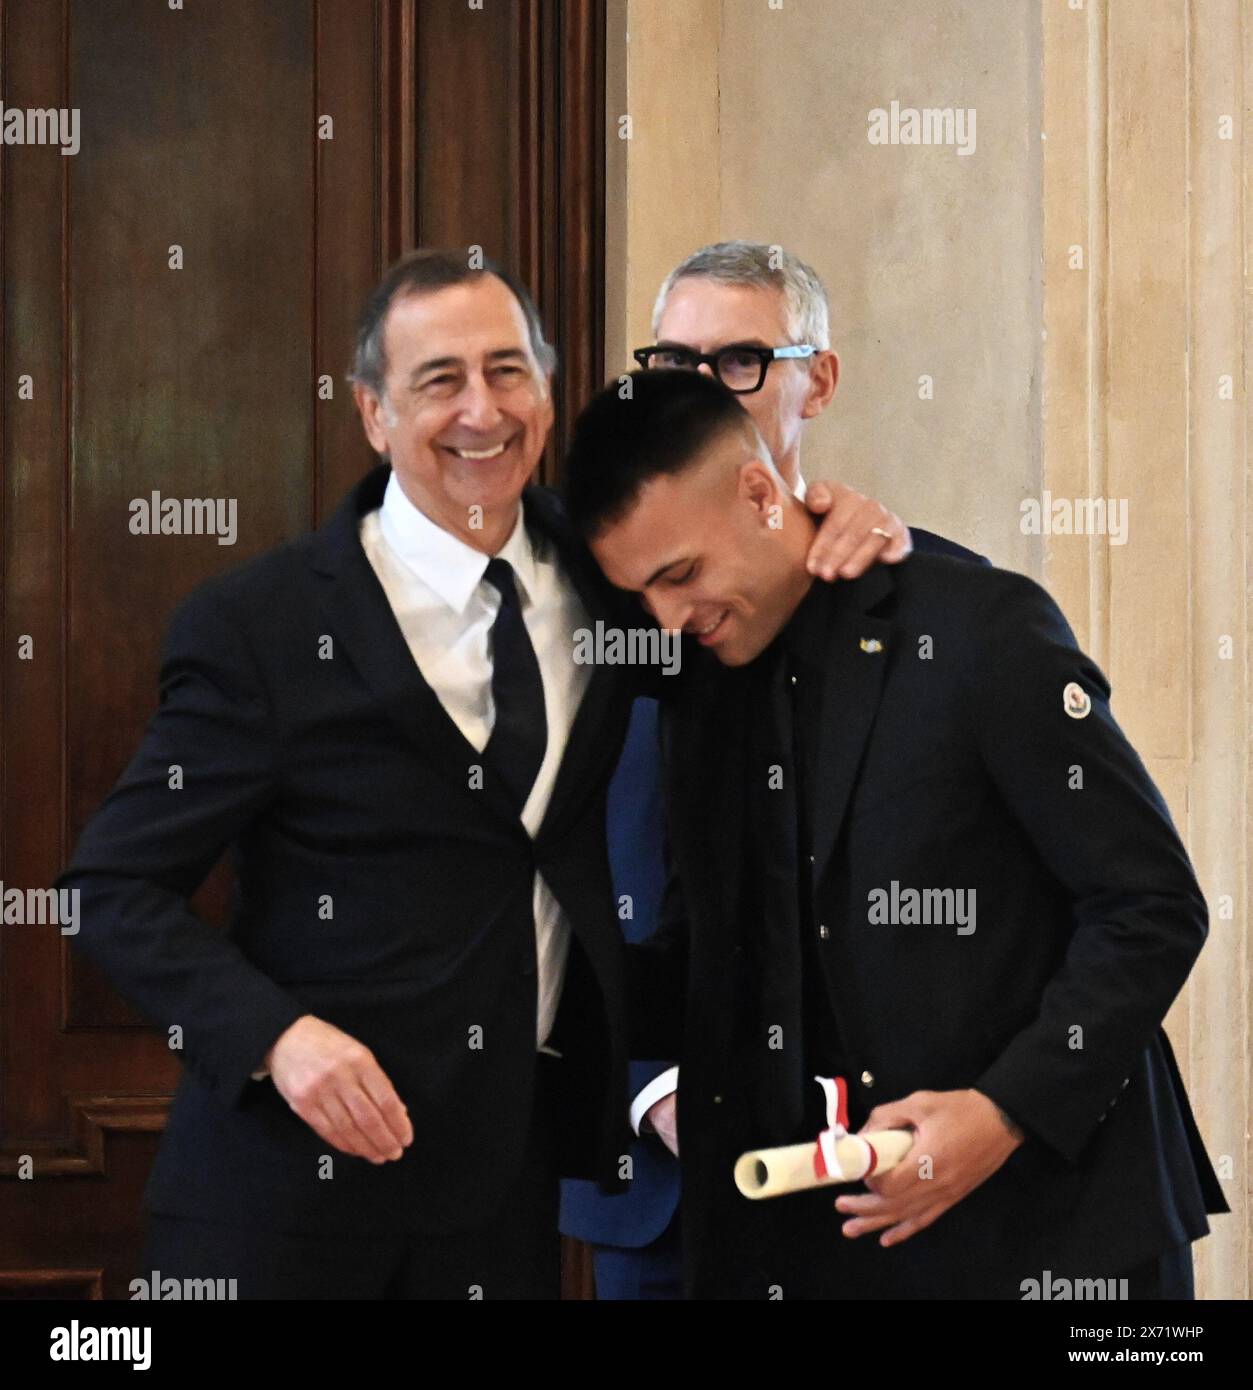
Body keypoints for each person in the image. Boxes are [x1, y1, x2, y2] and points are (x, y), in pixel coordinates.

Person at [55, 250, 912, 1299]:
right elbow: (109, 893)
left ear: (548, 394)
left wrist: (839, 524)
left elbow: (750, 593)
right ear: (372, 413)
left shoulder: (610, 580)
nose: (481, 410)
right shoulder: (263, 626)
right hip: (279, 1204)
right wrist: (275, 1039)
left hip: (502, 1208)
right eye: (439, 380)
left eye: (508, 372)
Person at [562, 367, 1229, 1300]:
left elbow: (1151, 907)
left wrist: (1004, 1113)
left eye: (681, 574)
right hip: (832, 1251)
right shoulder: (700, 689)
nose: (672, 617)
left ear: (760, 493)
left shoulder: (977, 629)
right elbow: (706, 958)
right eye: (644, 595)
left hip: (1064, 1237)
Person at [560, 240, 982, 1298]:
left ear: (816, 380)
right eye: (671, 362)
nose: (701, 388)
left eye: (738, 360)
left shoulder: (915, 595)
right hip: (647, 1172)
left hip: (862, 1166)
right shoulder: (587, 600)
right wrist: (648, 1080)